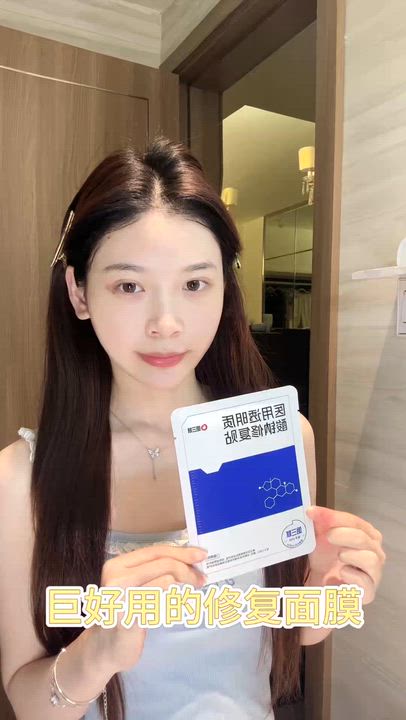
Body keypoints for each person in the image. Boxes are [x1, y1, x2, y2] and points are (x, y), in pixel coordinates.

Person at [0, 137, 386, 720]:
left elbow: (282, 633)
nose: (167, 323)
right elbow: (27, 699)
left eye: (194, 283)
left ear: (225, 288)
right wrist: (94, 654)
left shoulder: (279, 440)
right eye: (129, 286)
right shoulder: (22, 479)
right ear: (79, 292)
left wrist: (328, 595)